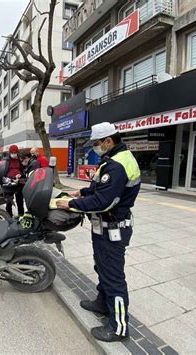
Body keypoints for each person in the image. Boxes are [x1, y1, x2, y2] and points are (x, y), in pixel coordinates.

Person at [56, 122, 141, 342]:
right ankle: (103, 303)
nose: (95, 147)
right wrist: (80, 191)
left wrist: (72, 204)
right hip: (104, 227)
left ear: (108, 141)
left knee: (114, 278)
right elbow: (99, 188)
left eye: (97, 143)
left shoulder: (117, 165)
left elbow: (105, 201)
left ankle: (119, 328)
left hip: (113, 228)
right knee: (102, 267)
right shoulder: (113, 160)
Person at [3, 145, 24, 218]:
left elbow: (22, 170)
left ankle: (21, 216)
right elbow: (3, 171)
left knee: (20, 200)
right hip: (9, 183)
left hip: (18, 182)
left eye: (15, 152)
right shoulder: (6, 160)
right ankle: (9, 216)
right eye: (12, 152)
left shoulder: (19, 160)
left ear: (17, 152)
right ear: (9, 152)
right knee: (9, 202)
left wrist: (20, 175)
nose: (13, 154)